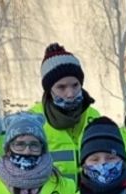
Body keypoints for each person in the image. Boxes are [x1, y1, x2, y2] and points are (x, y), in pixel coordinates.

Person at [32, 43, 101, 179]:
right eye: (61, 87)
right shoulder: (33, 121)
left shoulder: (94, 116)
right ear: (49, 89)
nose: (70, 93)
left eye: (75, 85)